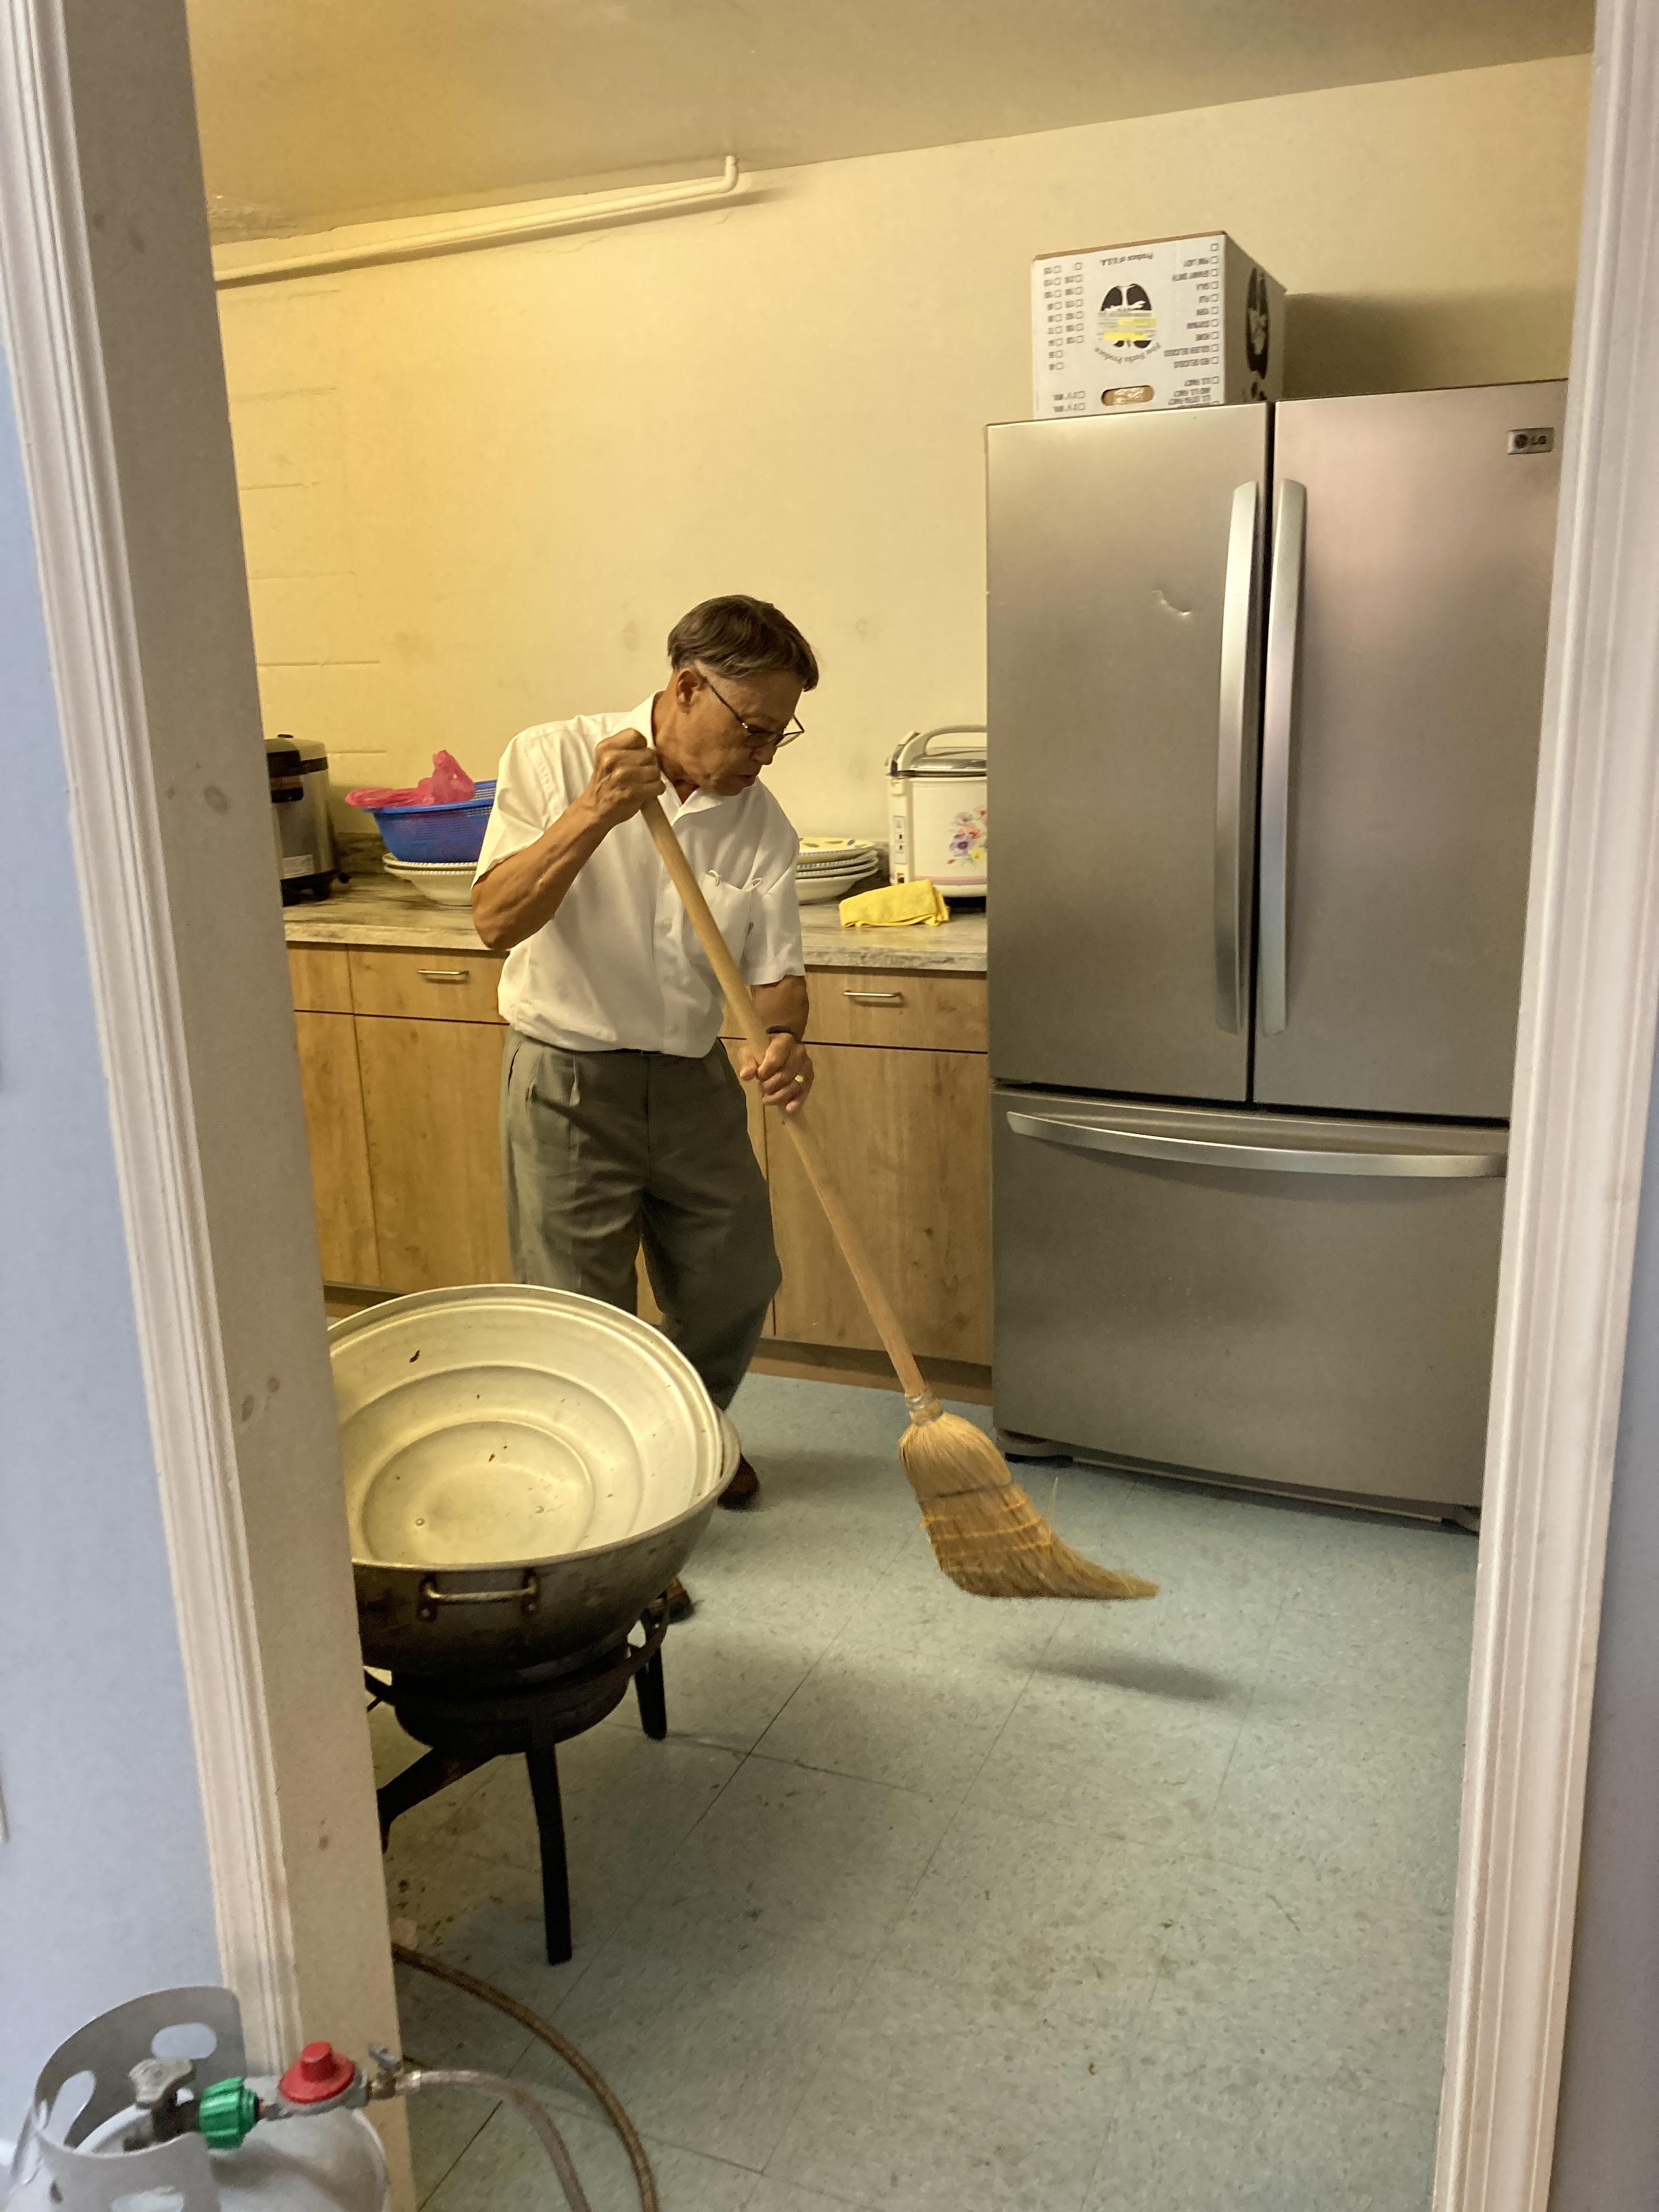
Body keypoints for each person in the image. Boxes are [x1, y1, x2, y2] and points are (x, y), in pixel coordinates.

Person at [471, 596, 817, 1601]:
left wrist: (784, 1040)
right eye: (752, 728)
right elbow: (495, 920)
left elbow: (776, 978)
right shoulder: (552, 757)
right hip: (568, 1074)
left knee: (736, 1277)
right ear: (686, 689)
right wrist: (595, 812)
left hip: (693, 1077)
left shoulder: (760, 821)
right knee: (583, 1316)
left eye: (781, 733)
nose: (764, 753)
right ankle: (617, 1536)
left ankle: (687, 1440)